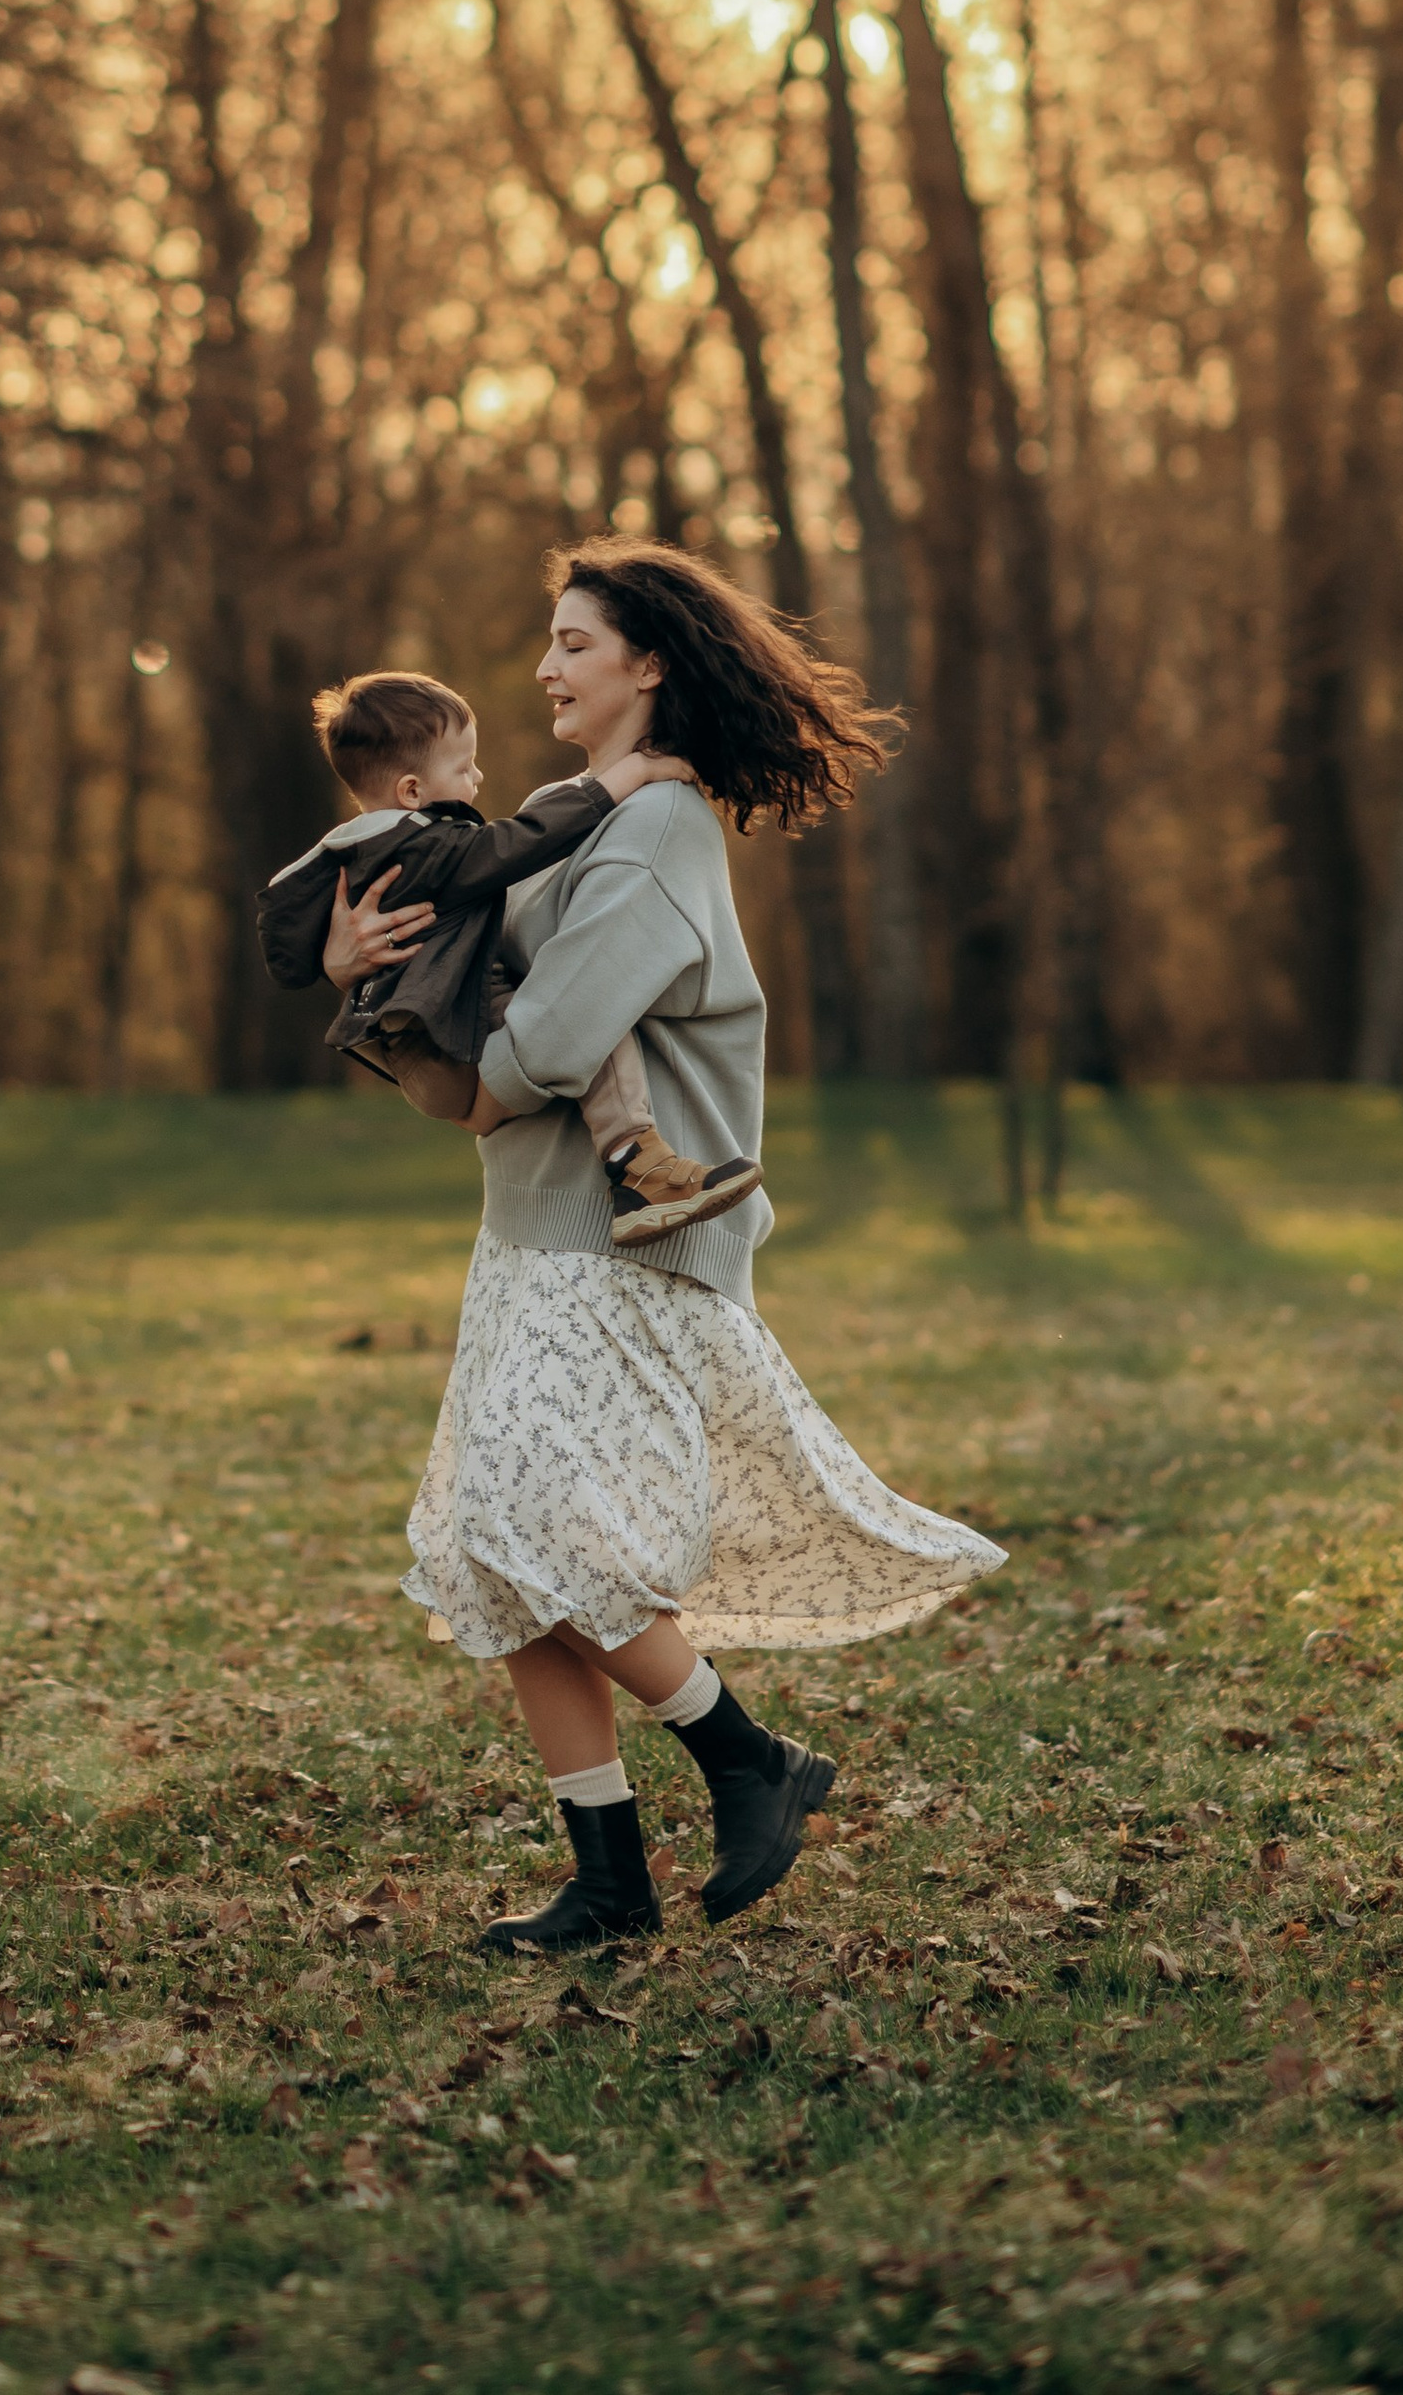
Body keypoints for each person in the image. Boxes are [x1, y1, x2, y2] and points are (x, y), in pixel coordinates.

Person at [325, 535, 1005, 1954]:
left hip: (623, 1247)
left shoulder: (662, 832)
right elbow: (464, 1058)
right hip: (527, 1242)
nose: (544, 668)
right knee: (496, 1564)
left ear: (647, 663)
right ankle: (611, 1879)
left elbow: (553, 1043)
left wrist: (476, 1052)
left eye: (572, 643)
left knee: (543, 1531)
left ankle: (750, 1762)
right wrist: (365, 988)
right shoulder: (563, 824)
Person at [257, 669, 767, 1243]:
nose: (478, 777)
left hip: (413, 1053)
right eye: (463, 768)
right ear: (411, 792)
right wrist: (636, 772)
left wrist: (336, 969)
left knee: (570, 1003)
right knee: (592, 1016)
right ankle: (641, 1168)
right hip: (454, 1046)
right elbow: (522, 841)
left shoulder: (343, 852)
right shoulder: (427, 844)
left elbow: (281, 943)